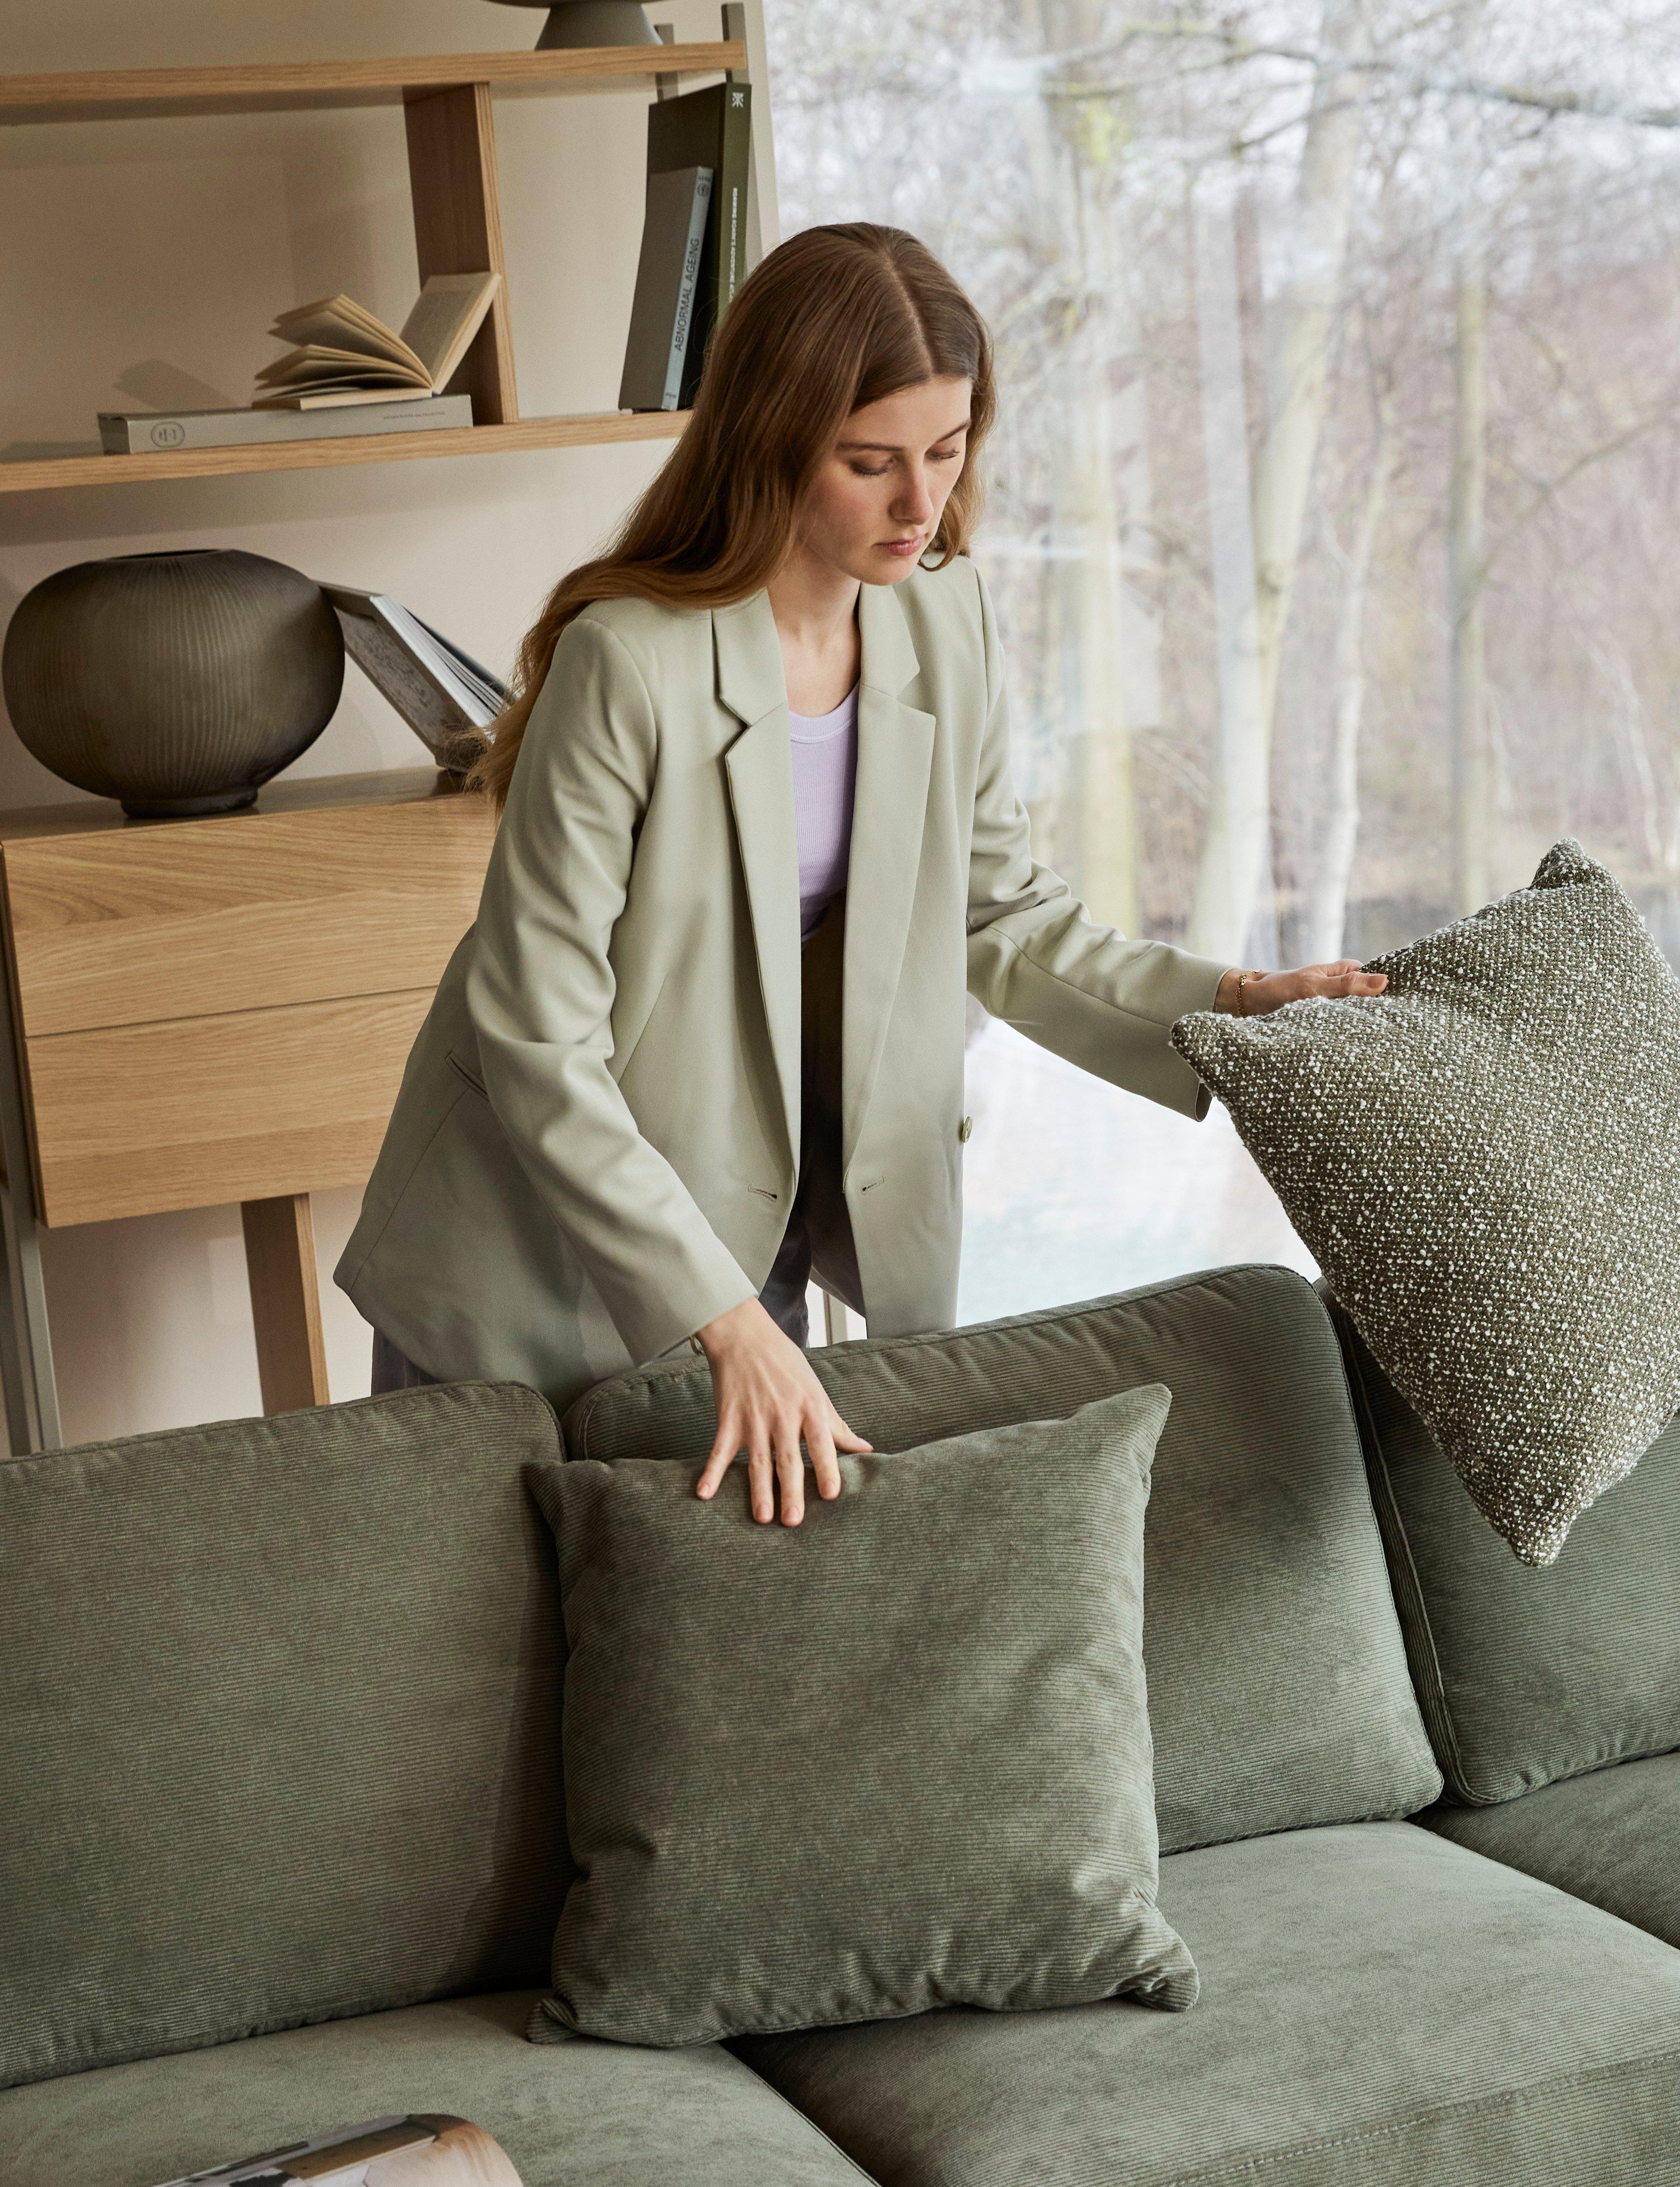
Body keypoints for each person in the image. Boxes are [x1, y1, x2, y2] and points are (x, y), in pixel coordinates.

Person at [335, 222, 1386, 1530]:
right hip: (527, 1248)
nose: (919, 506)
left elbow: (1002, 914)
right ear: (771, 441)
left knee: (737, 1619)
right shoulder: (629, 664)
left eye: (947, 451)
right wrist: (724, 1317)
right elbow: (535, 1037)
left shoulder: (945, 616)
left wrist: (1231, 1005)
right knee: (488, 1635)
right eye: (870, 462)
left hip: (746, 1222)